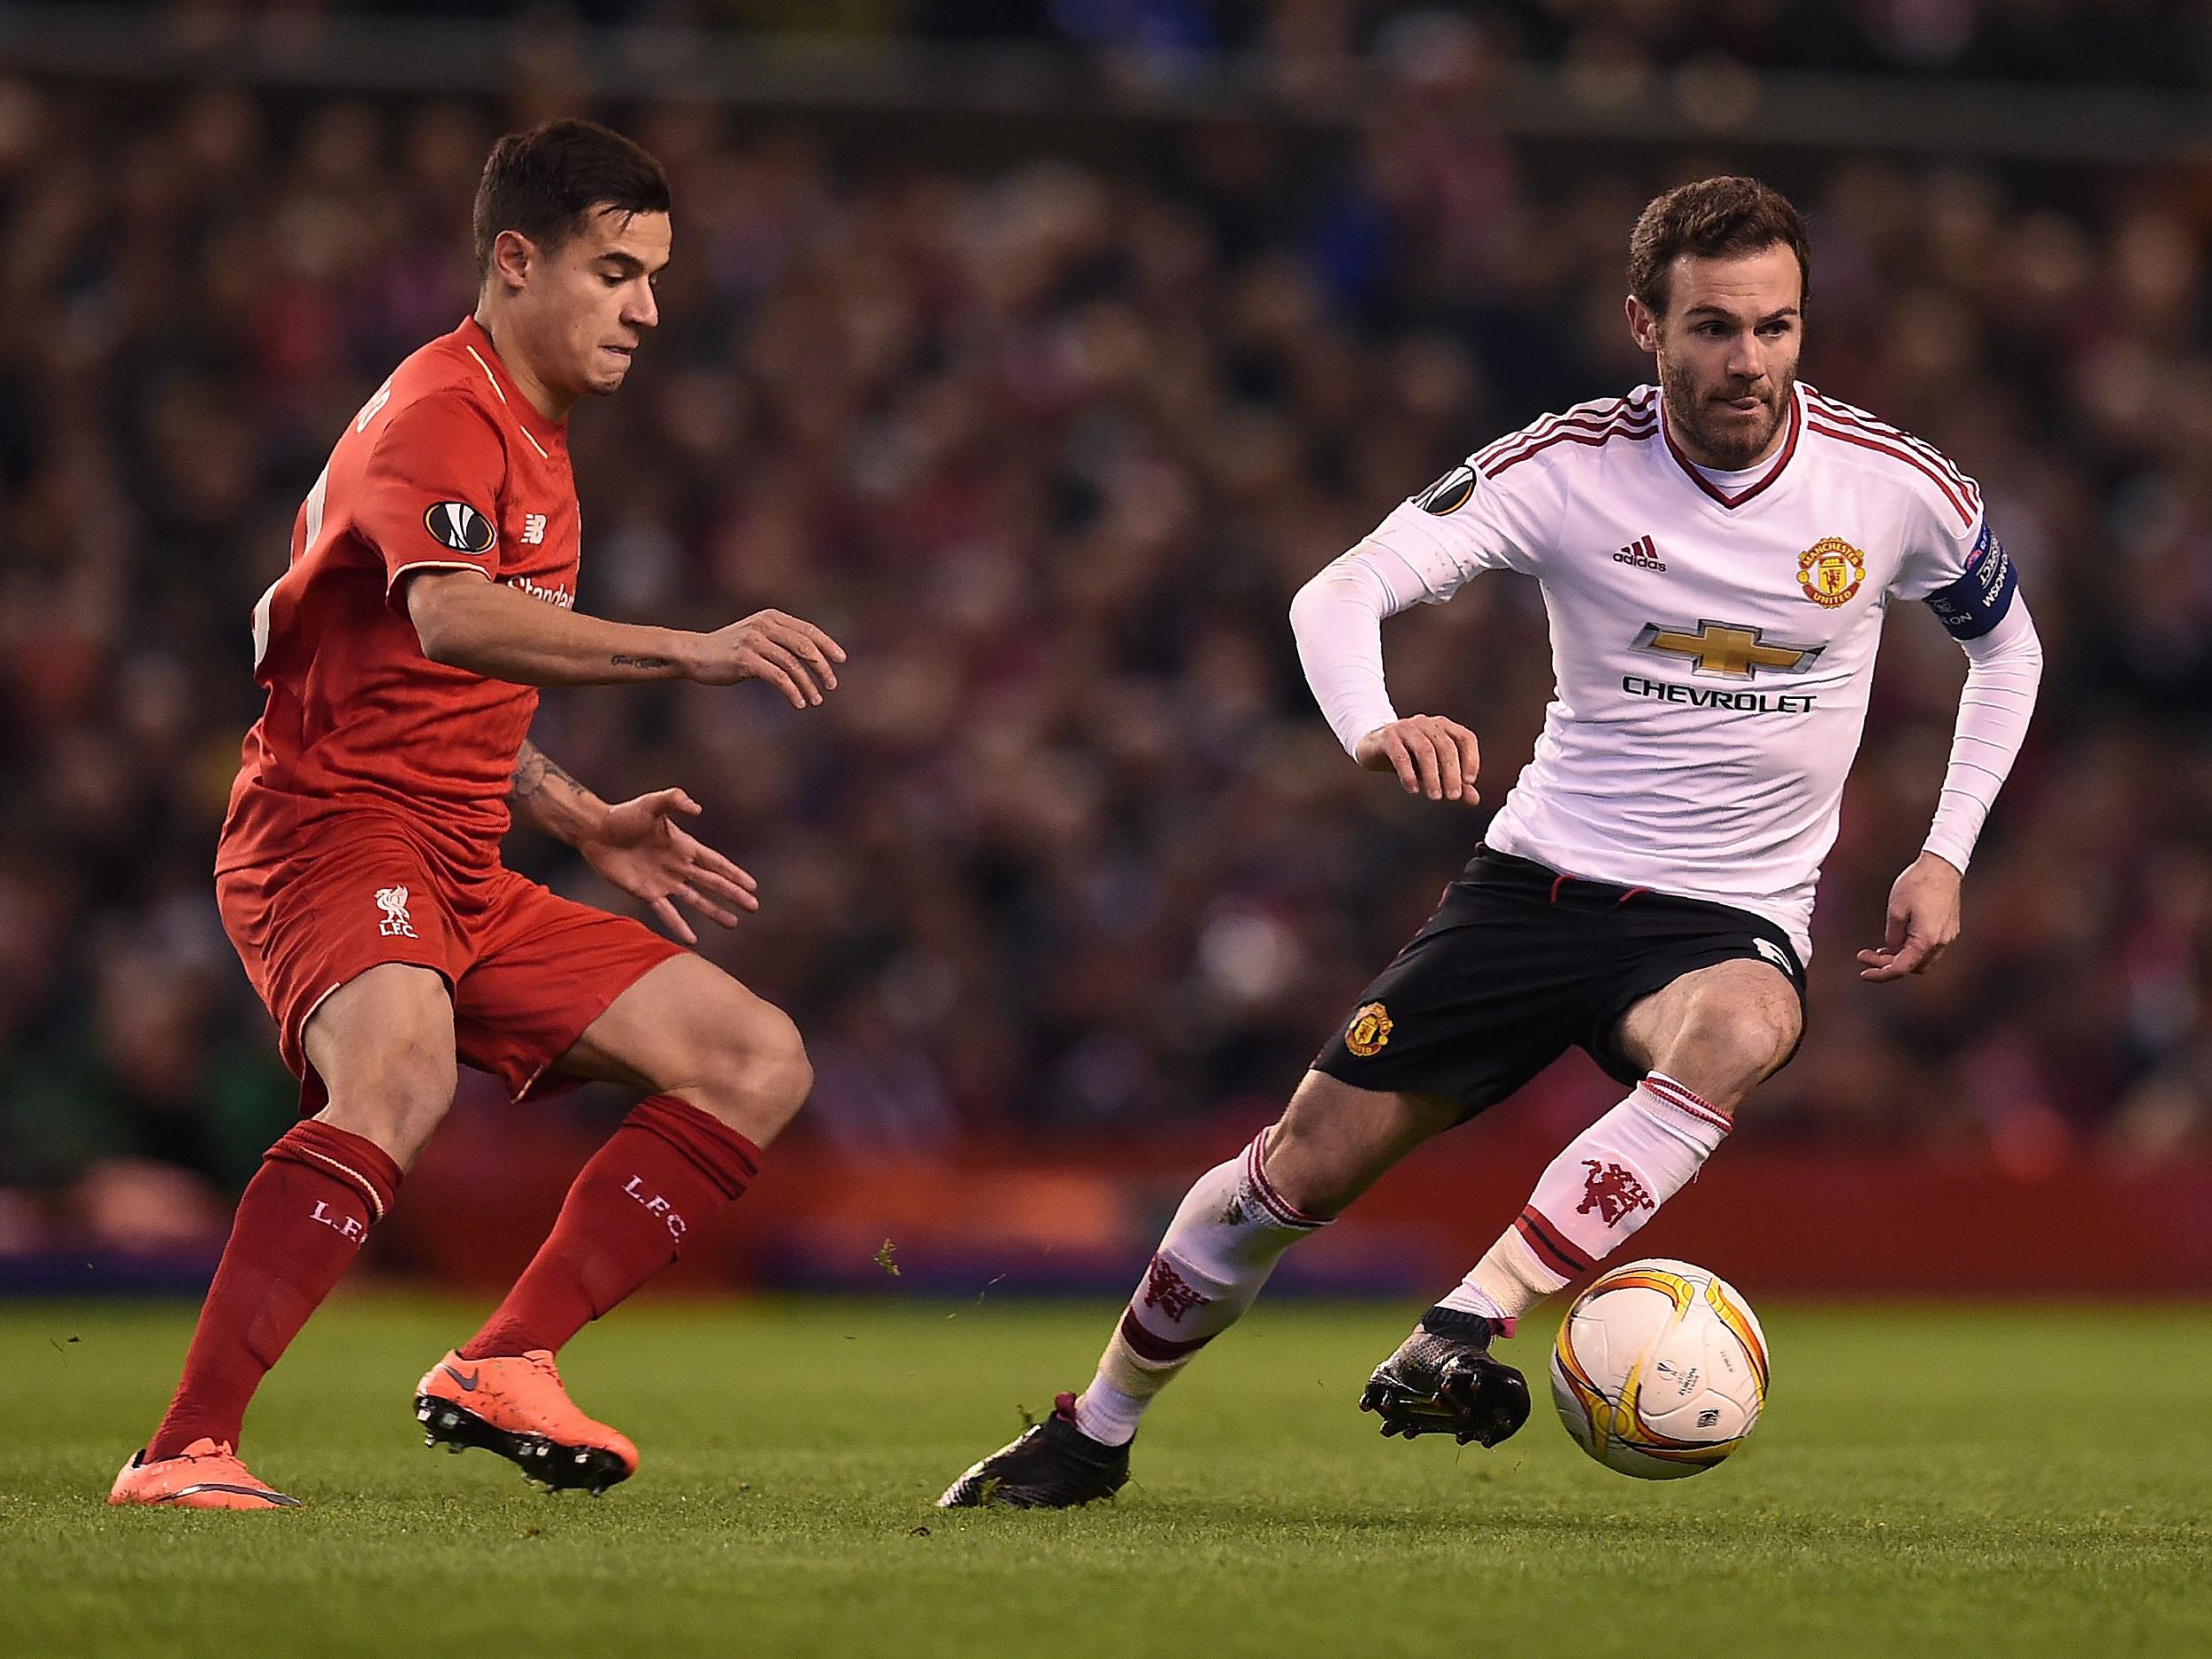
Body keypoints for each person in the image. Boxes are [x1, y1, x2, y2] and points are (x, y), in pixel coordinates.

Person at [940, 175, 2043, 1508]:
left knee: (1744, 1028)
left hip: (1725, 918)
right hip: (1538, 889)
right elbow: (1339, 591)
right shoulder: (1565, 467)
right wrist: (1372, 720)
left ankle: (1470, 1315)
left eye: (1774, 327)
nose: (1747, 362)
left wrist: (1947, 848)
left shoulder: (1891, 486)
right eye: (1710, 329)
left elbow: (2007, 645)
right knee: (1294, 1173)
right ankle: (1095, 1430)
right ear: (1645, 323)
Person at [111, 119, 846, 1509]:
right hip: (333, 827)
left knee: (753, 1058)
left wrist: (572, 810)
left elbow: (415, 666)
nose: (647, 307)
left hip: (459, 853)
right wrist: (693, 648)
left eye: (656, 275)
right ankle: (184, 1447)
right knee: (400, 1071)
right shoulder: (442, 411)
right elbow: (448, 621)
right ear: (516, 261)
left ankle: (504, 1362)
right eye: (616, 271)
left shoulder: (535, 430)